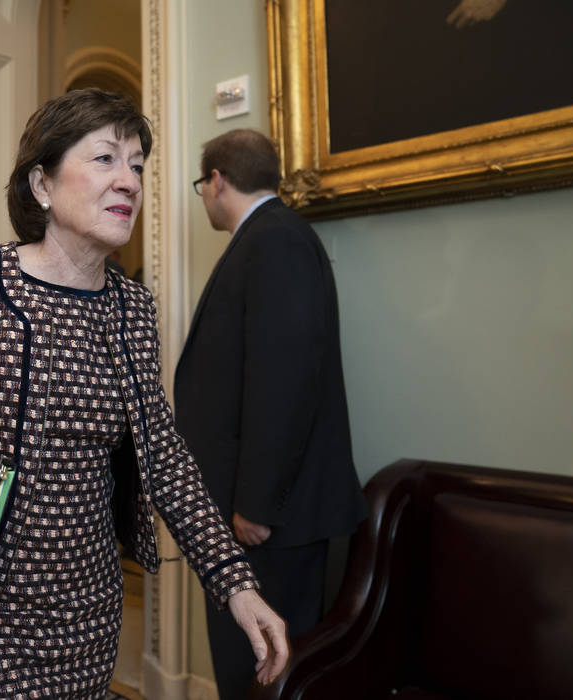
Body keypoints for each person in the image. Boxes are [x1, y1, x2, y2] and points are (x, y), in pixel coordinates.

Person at [0, 89, 288, 698]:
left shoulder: (133, 307)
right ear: (41, 185)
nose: (128, 180)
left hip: (93, 615)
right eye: (105, 159)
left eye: (137, 165)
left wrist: (234, 580)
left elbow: (164, 456)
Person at [175, 128, 368, 699]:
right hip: (254, 515)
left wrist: (256, 503)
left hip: (269, 522)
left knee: (264, 675)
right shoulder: (265, 238)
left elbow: (283, 382)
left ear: (216, 180)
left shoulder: (275, 240)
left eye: (201, 185)